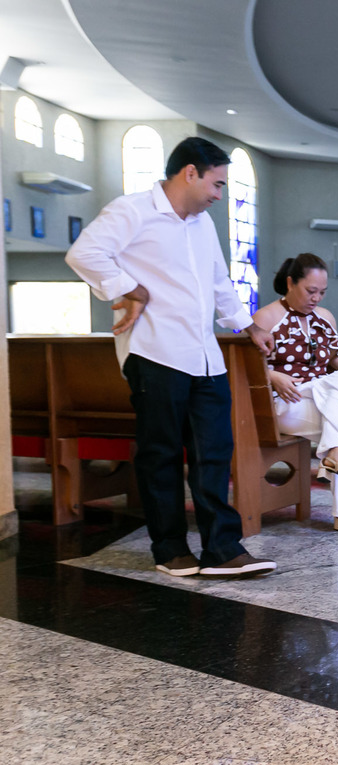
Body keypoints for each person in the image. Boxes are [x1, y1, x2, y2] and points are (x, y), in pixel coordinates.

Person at [65, 137, 277, 577]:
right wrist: (130, 288)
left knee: (215, 452)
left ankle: (223, 548)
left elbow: (220, 282)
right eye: (216, 184)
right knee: (161, 453)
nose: (219, 196)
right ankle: (170, 550)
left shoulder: (201, 224)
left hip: (204, 355)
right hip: (154, 350)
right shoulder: (132, 210)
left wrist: (248, 326)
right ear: (190, 173)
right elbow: (83, 254)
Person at [252, 254, 338, 535]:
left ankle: (336, 459)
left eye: (322, 292)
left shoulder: (325, 318)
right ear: (291, 282)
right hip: (285, 402)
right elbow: (247, 370)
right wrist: (273, 375)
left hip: (323, 398)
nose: (317, 298)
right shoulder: (266, 317)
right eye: (311, 291)